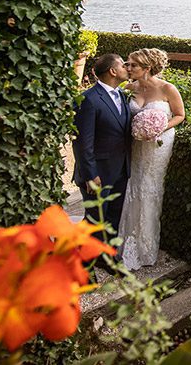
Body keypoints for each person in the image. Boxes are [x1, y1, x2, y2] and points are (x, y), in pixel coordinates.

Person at [118, 47, 185, 270]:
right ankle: (126, 239)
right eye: (127, 64)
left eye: (132, 65)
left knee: (150, 188)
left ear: (147, 68)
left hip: (159, 145)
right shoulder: (128, 87)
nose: (127, 68)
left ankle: (146, 247)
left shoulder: (168, 88)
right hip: (136, 145)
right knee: (133, 185)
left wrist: (160, 127)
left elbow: (180, 115)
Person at [72, 53, 131, 247]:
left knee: (113, 217)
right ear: (113, 71)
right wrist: (91, 175)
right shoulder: (88, 99)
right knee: (94, 221)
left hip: (120, 169)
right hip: (98, 173)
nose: (127, 68)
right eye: (123, 65)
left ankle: (106, 256)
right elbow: (82, 142)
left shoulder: (122, 95)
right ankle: (79, 257)